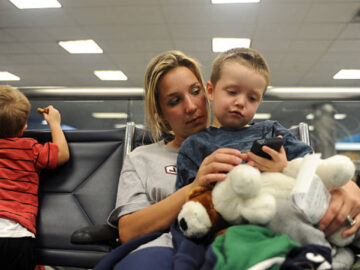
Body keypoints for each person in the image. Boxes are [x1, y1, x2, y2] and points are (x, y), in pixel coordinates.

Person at [175, 48, 360, 269]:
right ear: (211, 91)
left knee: (339, 225)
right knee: (277, 213)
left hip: (292, 208)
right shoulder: (195, 146)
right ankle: (317, 254)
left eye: (252, 98)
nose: (241, 102)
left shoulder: (272, 131)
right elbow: (192, 203)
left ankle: (327, 254)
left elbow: (310, 167)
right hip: (240, 219)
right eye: (232, 92)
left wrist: (283, 167)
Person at [100, 51, 244, 270]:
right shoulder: (142, 158)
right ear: (160, 113)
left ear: (208, 92)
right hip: (162, 247)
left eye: (196, 92)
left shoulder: (241, 146)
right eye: (175, 101)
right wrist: (194, 186)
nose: (191, 106)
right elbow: (129, 231)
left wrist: (279, 168)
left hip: (232, 244)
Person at [0, 85, 70, 270]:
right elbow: (61, 154)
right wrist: (54, 122)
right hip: (16, 235)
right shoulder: (29, 148)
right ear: (23, 128)